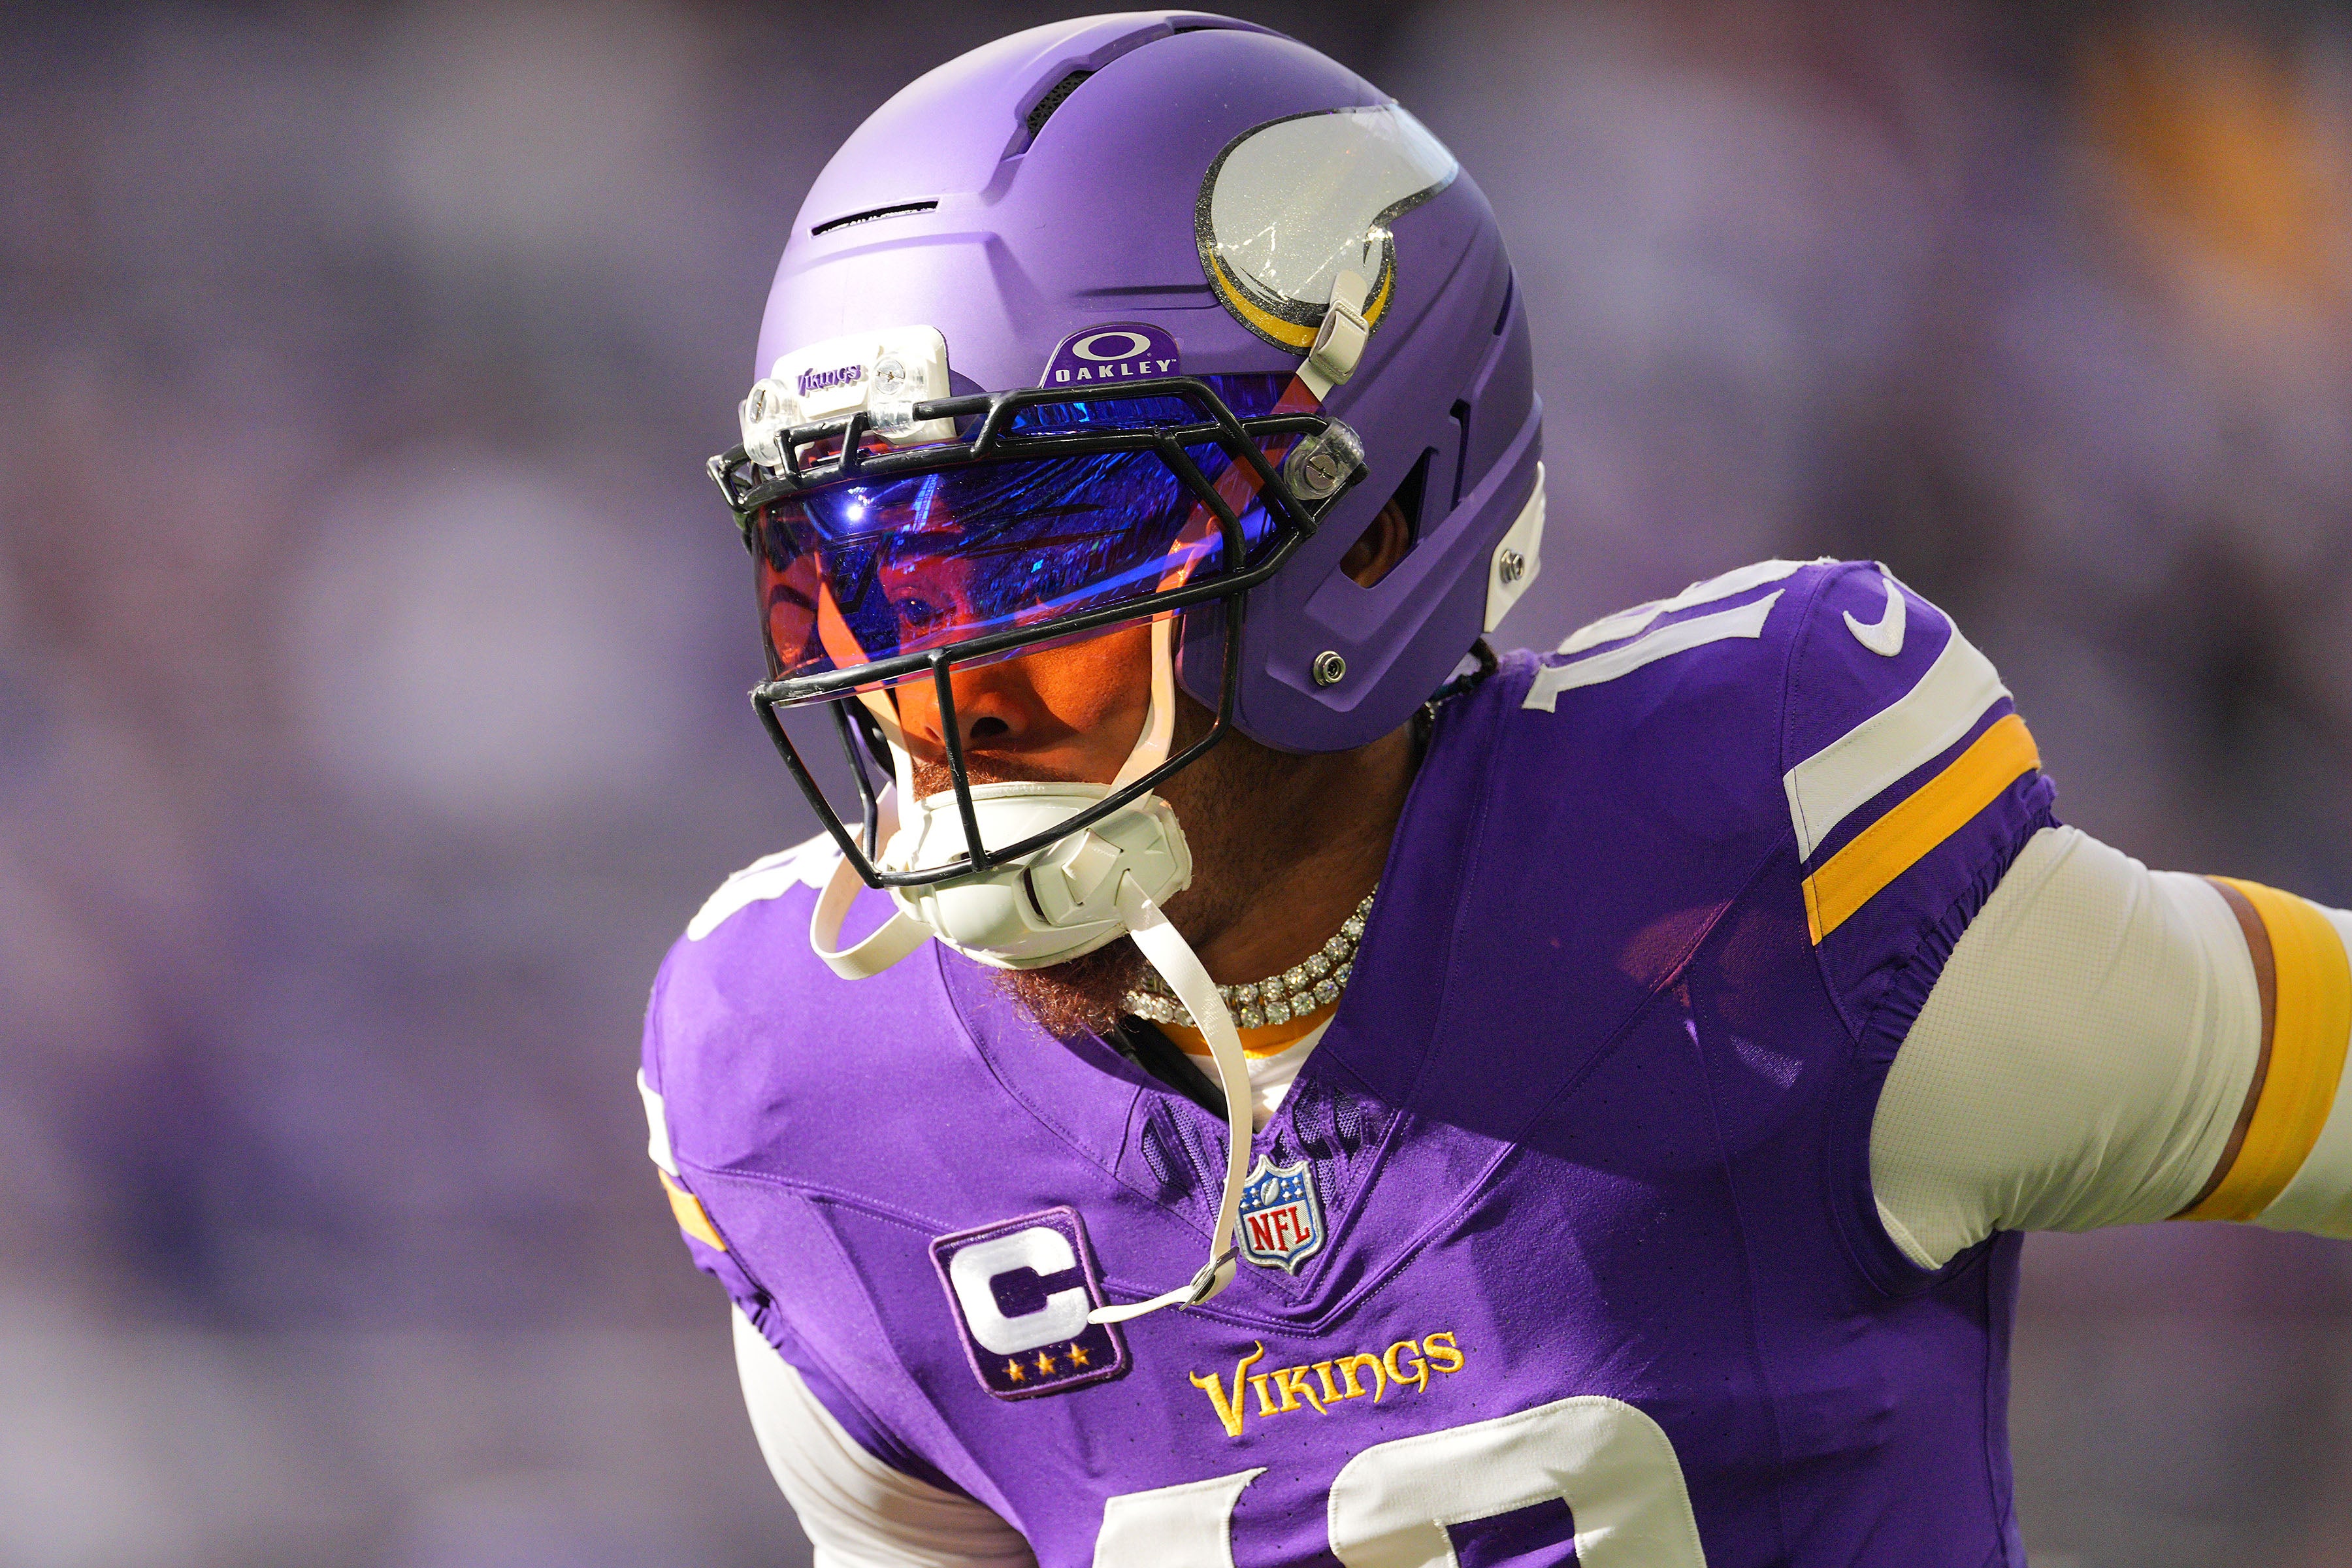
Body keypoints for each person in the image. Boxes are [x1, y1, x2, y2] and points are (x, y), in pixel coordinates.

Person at [638, 14, 2352, 1565]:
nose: (935, 701)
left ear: (1369, 530)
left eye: (1042, 560)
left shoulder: (1762, 875)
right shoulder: (809, 1100)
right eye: (853, 583)